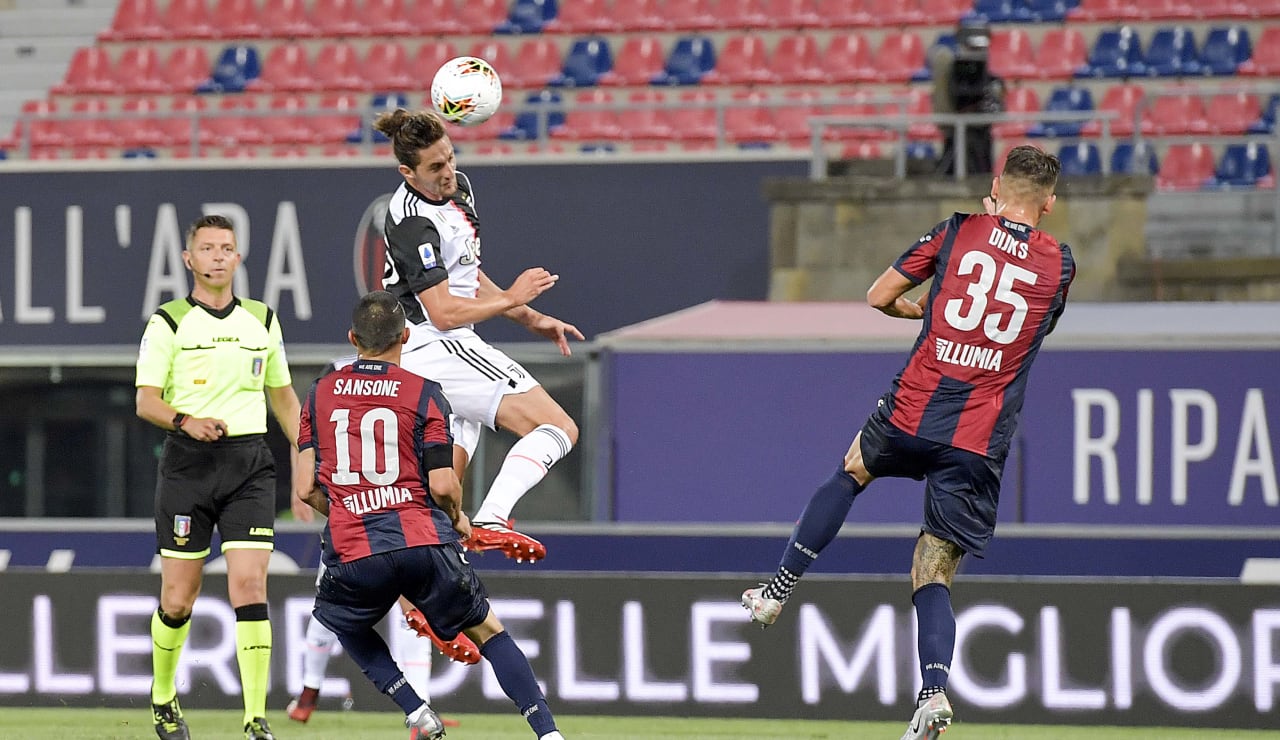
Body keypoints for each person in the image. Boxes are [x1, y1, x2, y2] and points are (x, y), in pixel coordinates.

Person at [741, 145, 1074, 740]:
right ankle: (932, 692)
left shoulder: (958, 230)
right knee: (933, 571)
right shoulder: (1060, 265)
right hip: (978, 435)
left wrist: (917, 311)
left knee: (851, 472)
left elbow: (877, 295)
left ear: (996, 186)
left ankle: (776, 591)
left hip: (915, 409)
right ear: (1049, 204)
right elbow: (1028, 328)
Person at [294, 290, 566, 740]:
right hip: (422, 537)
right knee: (489, 631)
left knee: (339, 618)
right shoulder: (425, 392)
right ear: (406, 336)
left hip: (356, 547)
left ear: (352, 338)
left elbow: (306, 489)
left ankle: (414, 708)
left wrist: (349, 508)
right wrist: (458, 518)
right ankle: (547, 733)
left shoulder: (320, 393)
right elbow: (442, 484)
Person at [372, 108, 583, 563]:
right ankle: (492, 520)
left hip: (438, 345)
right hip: (432, 344)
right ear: (407, 172)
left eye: (450, 157)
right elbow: (445, 311)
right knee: (558, 427)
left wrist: (531, 318)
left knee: (441, 498)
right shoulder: (412, 223)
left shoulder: (460, 188)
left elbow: (466, 274)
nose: (448, 172)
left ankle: (420, 601)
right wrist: (512, 298)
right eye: (435, 167)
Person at [135, 214, 302, 740]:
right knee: (178, 599)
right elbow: (145, 401)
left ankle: (255, 718)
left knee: (251, 585)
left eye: (226, 248)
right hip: (188, 464)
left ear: (238, 257)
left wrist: (308, 455)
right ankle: (163, 696)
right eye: (206, 248)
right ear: (189, 259)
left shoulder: (263, 319)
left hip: (250, 465)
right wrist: (187, 421)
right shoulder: (168, 321)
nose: (217, 256)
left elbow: (283, 396)